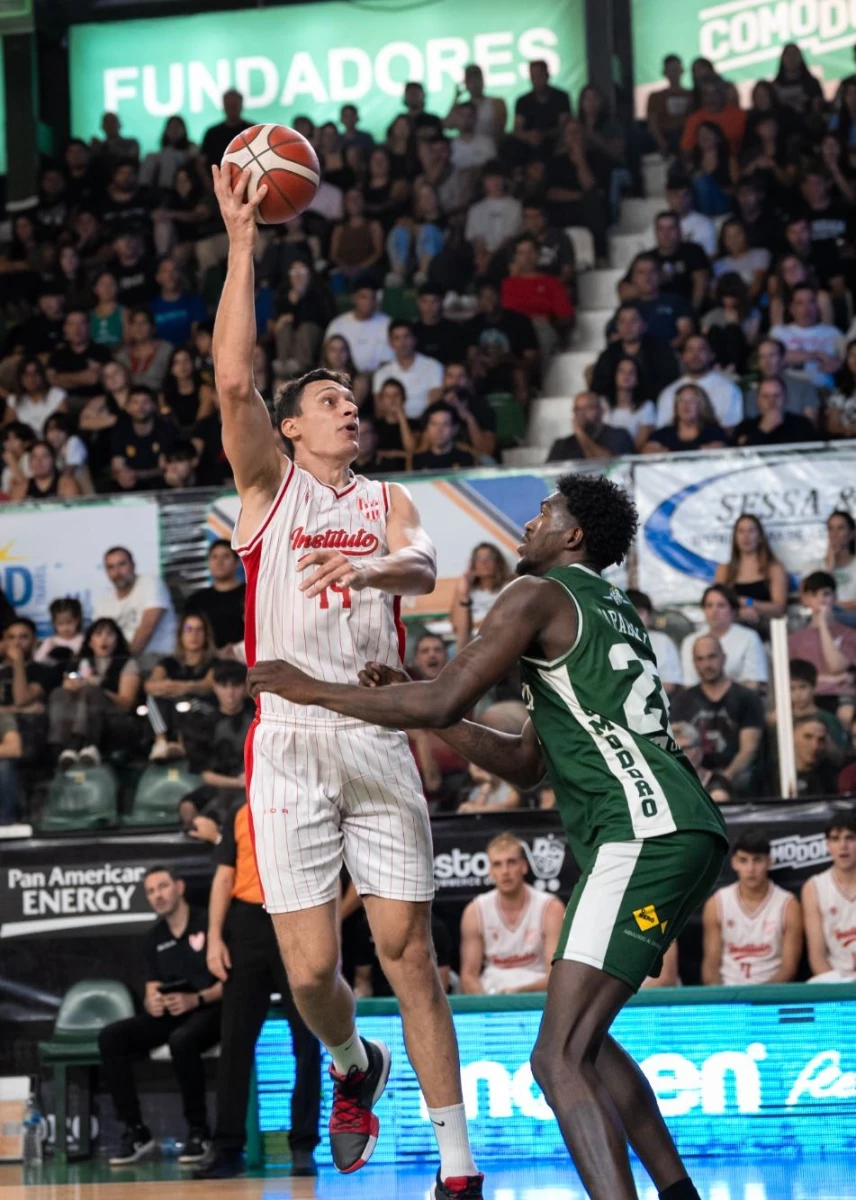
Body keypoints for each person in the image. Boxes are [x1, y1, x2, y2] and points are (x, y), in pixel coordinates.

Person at [251, 472, 729, 1200]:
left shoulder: (534, 593)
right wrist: (411, 702)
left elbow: (447, 693)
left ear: (573, 535)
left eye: (546, 511)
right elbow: (526, 760)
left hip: (644, 829)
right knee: (586, 1046)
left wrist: (311, 688)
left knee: (554, 1059)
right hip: (677, 825)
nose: (530, 521)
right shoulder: (608, 609)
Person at [209, 163, 482, 1197]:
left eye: (353, 401)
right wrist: (244, 244)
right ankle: (348, 1064)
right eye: (330, 400)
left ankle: (459, 1169)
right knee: (313, 970)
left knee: (410, 953)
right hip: (286, 738)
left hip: (374, 733)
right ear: (291, 427)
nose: (349, 409)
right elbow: (233, 381)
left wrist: (366, 563)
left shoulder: (386, 501)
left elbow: (422, 567)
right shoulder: (263, 490)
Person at [196, 799, 321, 1179]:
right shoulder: (239, 810)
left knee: (308, 1038)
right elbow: (223, 877)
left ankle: (303, 1146)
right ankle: (228, 1148)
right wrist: (215, 937)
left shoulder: (308, 802)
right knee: (234, 1041)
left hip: (297, 915)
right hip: (247, 924)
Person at [97, 866, 223, 1166]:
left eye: (163, 887)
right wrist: (152, 1002)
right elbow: (152, 988)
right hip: (172, 1013)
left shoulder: (209, 922)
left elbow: (230, 983)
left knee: (182, 1040)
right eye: (151, 891)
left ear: (179, 887)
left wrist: (196, 999)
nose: (158, 895)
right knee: (111, 1037)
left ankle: (198, 1131)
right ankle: (135, 1130)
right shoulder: (153, 937)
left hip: (210, 1009)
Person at [459, 833, 564, 994]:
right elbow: (468, 977)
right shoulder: (475, 911)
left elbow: (556, 975)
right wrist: (489, 1005)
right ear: (490, 871)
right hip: (491, 993)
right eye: (497, 864)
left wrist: (518, 993)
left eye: (511, 862)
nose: (505, 871)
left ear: (524, 866)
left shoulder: (550, 908)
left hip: (537, 996)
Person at [701, 832, 802, 984]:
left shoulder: (788, 905)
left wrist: (759, 998)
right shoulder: (717, 903)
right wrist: (724, 1000)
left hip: (771, 996)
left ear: (769, 862)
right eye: (743, 860)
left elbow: (789, 969)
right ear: (734, 863)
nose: (750, 868)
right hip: (728, 993)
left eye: (757, 860)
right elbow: (710, 968)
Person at [671, 635, 765, 795]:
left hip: (739, 781)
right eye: (700, 659)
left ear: (723, 658)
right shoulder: (682, 701)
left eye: (712, 657)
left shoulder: (746, 698)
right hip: (693, 781)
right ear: (694, 663)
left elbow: (749, 749)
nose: (707, 664)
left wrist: (724, 778)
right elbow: (675, 746)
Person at [48, 617, 140, 768]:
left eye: (109, 634)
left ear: (117, 640)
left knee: (90, 690)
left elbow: (127, 703)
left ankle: (79, 743)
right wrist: (70, 686)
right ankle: (57, 748)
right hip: (78, 711)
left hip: (113, 715)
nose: (104, 639)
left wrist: (100, 686)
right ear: (90, 642)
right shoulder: (78, 663)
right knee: (59, 693)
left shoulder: (126, 663)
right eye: (98, 634)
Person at [145, 613, 216, 761]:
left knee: (186, 703)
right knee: (153, 697)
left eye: (199, 630)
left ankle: (181, 744)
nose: (194, 635)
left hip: (204, 709)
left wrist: (176, 686)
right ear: (180, 635)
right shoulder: (170, 661)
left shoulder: (214, 662)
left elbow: (206, 686)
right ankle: (161, 742)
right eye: (188, 629)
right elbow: (150, 686)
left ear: (206, 635)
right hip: (175, 707)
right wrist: (170, 689)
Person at [94, 546, 178, 666]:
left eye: (122, 564)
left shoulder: (150, 584)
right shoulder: (103, 602)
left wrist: (123, 664)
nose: (117, 572)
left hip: (159, 659)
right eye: (111, 567)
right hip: (122, 664)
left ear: (133, 565)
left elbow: (147, 629)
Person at [788, 571, 856, 718]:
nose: (821, 600)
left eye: (826, 594)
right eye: (814, 595)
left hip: (841, 699)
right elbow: (795, 678)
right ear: (805, 599)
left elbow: (836, 666)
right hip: (807, 699)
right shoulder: (794, 639)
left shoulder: (850, 634)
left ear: (835, 597)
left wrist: (823, 625)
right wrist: (834, 679)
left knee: (846, 714)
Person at [801, 811, 856, 982]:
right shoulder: (814, 887)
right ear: (827, 844)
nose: (843, 846)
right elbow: (817, 957)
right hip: (836, 980)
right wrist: (840, 989)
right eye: (835, 839)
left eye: (850, 838)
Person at [501, 235, 574, 359]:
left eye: (531, 252)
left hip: (542, 331)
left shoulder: (552, 283)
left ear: (538, 254)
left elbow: (564, 316)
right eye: (522, 253)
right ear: (515, 257)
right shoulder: (507, 284)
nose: (527, 257)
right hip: (513, 333)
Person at [680, 584, 768, 688]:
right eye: (709, 605)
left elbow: (753, 682)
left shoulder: (749, 638)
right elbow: (690, 684)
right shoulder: (690, 641)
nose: (714, 611)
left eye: (721, 605)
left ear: (733, 610)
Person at [591, 303, 680, 401]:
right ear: (617, 326)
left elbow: (670, 383)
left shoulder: (660, 349)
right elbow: (598, 387)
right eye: (622, 321)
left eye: (633, 321)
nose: (628, 326)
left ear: (643, 325)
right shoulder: (608, 354)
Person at [654, 335, 742, 432]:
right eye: (690, 350)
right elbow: (663, 430)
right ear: (682, 357)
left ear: (711, 355)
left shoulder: (729, 389)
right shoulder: (669, 392)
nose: (695, 355)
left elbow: (731, 429)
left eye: (702, 349)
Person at [714, 513, 788, 627]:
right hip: (734, 631)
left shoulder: (774, 569)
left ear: (760, 537)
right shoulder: (724, 570)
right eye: (741, 531)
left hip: (767, 631)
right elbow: (718, 606)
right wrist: (738, 613)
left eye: (751, 531)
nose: (746, 536)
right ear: (735, 537)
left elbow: (779, 608)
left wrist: (750, 603)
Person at [769, 285, 845, 391]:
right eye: (800, 303)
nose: (806, 308)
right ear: (791, 308)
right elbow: (776, 357)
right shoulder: (780, 332)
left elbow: (846, 360)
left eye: (811, 302)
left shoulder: (833, 333)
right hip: (789, 392)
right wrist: (816, 355)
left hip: (824, 391)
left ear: (817, 307)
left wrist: (838, 366)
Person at [110, 384, 177, 492]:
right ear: (127, 407)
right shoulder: (120, 432)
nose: (140, 407)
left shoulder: (166, 430)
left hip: (159, 488)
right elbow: (116, 466)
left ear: (154, 406)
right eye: (135, 402)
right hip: (128, 487)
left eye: (145, 402)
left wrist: (137, 475)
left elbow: (164, 468)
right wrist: (121, 476)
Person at [372, 320, 443, 420]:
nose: (402, 343)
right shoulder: (382, 373)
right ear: (391, 343)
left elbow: (435, 405)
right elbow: (380, 411)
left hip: (424, 424)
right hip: (394, 424)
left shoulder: (433, 366)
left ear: (414, 339)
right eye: (397, 338)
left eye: (406, 337)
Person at [620, 256, 694, 350]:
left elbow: (685, 332)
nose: (647, 277)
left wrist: (663, 353)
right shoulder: (627, 306)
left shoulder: (675, 301)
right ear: (633, 278)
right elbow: (615, 335)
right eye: (641, 272)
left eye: (652, 272)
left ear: (660, 275)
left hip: (670, 356)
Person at [450, 543, 512, 655]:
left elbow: (508, 621)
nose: (484, 562)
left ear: (498, 562)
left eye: (489, 558)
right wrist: (464, 592)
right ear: (472, 564)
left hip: (500, 641)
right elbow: (456, 626)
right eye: (479, 558)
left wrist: (477, 624)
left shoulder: (510, 587)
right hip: (471, 641)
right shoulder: (466, 591)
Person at [643, 211, 710, 313]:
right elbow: (624, 289)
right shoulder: (647, 257)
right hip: (654, 313)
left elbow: (701, 282)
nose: (666, 234)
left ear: (679, 231)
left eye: (671, 228)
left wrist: (691, 313)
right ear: (656, 232)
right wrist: (652, 281)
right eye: (661, 229)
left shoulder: (693, 251)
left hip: (688, 309)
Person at [185, 540, 246, 650]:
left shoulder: (250, 594)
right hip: (207, 661)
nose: (219, 562)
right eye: (214, 557)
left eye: (226, 556)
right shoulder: (196, 600)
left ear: (236, 562)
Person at [743, 337, 820, 423]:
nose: (767, 362)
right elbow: (750, 428)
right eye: (762, 357)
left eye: (772, 355)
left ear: (782, 358)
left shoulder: (804, 386)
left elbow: (810, 425)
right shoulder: (751, 393)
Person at [323, 282, 391, 374]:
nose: (368, 302)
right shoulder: (338, 324)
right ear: (354, 298)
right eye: (364, 297)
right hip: (344, 375)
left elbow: (388, 361)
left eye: (372, 298)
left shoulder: (387, 323)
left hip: (377, 376)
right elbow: (328, 357)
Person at [47, 310, 112, 404]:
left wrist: (61, 377)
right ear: (65, 328)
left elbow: (93, 379)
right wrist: (82, 377)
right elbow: (52, 381)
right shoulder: (57, 355)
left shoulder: (101, 351)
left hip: (96, 402)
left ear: (88, 327)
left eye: (82, 323)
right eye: (72, 324)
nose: (77, 329)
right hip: (65, 403)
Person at [547, 391, 634, 462]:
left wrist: (580, 433)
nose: (582, 414)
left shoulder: (619, 436)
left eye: (588, 408)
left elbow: (610, 466)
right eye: (578, 409)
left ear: (601, 411)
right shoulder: (561, 445)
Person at [643, 383, 728, 455]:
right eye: (681, 399)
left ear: (701, 405)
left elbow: (719, 450)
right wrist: (700, 449)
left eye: (692, 400)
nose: (685, 404)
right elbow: (647, 452)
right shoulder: (664, 433)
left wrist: (668, 452)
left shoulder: (713, 432)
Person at [625, 589, 683, 695]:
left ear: (650, 615)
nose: (634, 617)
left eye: (639, 612)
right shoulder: (610, 640)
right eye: (628, 612)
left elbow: (669, 684)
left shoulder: (663, 641)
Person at [734, 376, 818, 448]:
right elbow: (737, 457)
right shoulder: (745, 427)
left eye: (776, 396)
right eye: (765, 396)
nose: (771, 401)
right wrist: (762, 430)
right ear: (758, 400)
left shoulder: (802, 424)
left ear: (785, 398)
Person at [513, 60, 572, 152]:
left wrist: (542, 135)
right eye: (533, 77)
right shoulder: (523, 101)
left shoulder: (561, 97)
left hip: (554, 142)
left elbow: (564, 126)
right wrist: (528, 136)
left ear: (547, 75)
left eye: (540, 76)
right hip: (529, 144)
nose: (537, 80)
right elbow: (517, 129)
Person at [600, 357, 657, 452]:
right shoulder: (602, 403)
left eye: (631, 372)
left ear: (637, 378)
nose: (626, 375)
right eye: (621, 371)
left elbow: (639, 445)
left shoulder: (646, 406)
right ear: (614, 375)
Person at [149, 257, 207, 348]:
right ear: (157, 277)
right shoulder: (151, 307)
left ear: (179, 274)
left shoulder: (194, 302)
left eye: (174, 270)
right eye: (165, 271)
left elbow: (197, 335)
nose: (170, 275)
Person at [6, 357, 67, 437]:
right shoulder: (13, 400)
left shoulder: (57, 395)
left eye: (36, 373)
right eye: (26, 375)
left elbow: (63, 428)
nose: (31, 379)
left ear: (42, 375)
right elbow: (9, 431)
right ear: (20, 378)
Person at [809, 510, 856, 614]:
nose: (834, 534)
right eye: (830, 528)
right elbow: (806, 599)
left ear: (852, 534)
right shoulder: (813, 566)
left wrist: (831, 604)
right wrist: (829, 569)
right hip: (824, 623)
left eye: (840, 528)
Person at [117, 308, 174, 392]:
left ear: (152, 327)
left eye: (143, 323)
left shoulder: (166, 350)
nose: (138, 327)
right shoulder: (122, 355)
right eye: (134, 323)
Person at [646, 56, 693, 158]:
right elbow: (652, 124)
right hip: (664, 135)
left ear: (682, 71)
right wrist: (662, 143)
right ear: (665, 72)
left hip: (685, 135)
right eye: (670, 69)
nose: (674, 73)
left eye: (676, 69)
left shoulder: (691, 95)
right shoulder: (655, 97)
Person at [8, 439, 82, 502]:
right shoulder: (22, 487)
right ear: (29, 462)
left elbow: (74, 513)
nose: (39, 461)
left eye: (45, 456)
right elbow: (13, 515)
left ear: (54, 459)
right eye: (34, 457)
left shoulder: (66, 484)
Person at [411, 402, 476, 472]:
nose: (439, 430)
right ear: (427, 429)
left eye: (445, 424)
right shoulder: (418, 460)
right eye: (434, 424)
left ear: (454, 429)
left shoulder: (466, 459)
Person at [201, 89, 251, 168]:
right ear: (224, 106)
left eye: (234, 105)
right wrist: (209, 180)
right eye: (229, 105)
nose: (232, 109)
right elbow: (201, 163)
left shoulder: (252, 131)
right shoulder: (212, 134)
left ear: (241, 105)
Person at [792, 714, 839, 795]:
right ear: (792, 737)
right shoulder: (774, 774)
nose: (815, 746)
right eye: (808, 737)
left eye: (821, 740)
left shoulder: (832, 776)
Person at [35, 597, 85, 668]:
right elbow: (38, 661)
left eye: (69, 622)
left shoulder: (83, 641)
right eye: (60, 624)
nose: (65, 628)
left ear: (77, 620)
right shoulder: (51, 642)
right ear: (54, 624)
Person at [827, 338, 856, 439]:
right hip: (846, 444)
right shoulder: (839, 392)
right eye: (851, 355)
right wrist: (851, 431)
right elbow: (832, 427)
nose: (855, 359)